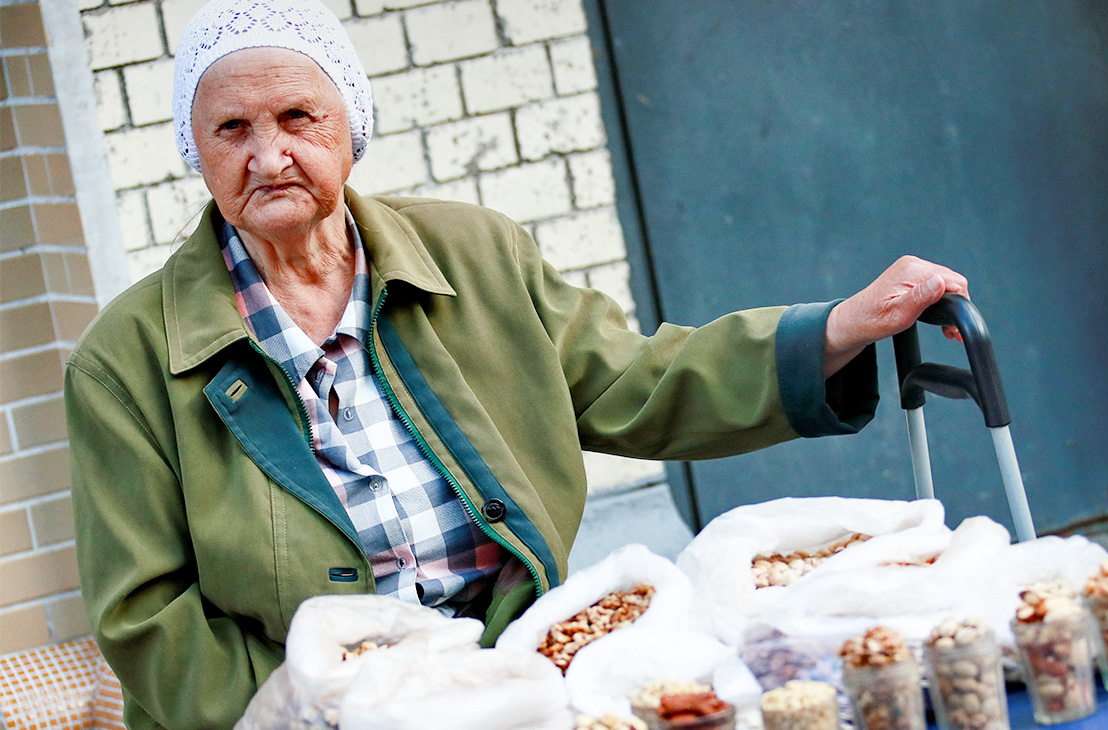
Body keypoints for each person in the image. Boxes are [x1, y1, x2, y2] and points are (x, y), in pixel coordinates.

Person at [64, 0, 970, 727]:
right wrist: (312, 709)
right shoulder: (126, 362)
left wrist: (842, 328)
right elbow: (147, 617)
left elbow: (633, 382)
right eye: (231, 129)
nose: (270, 155)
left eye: (299, 115)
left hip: (522, 673)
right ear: (196, 151)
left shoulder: (476, 256)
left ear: (350, 123)